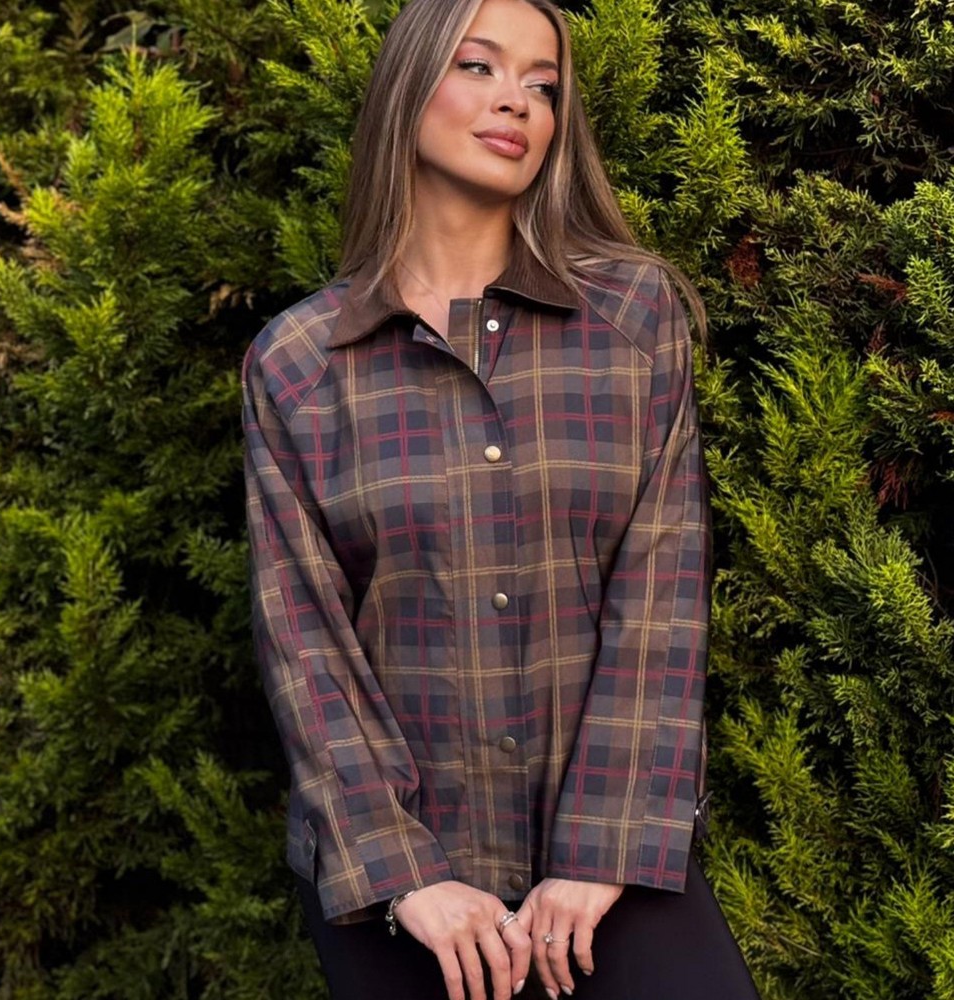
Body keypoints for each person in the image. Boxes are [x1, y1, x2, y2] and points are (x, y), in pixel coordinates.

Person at [242, 1, 761, 998]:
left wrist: (601, 850)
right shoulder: (298, 364)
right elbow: (302, 641)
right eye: (479, 66)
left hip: (611, 867)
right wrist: (406, 874)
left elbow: (662, 592)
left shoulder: (631, 318)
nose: (517, 101)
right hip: (407, 885)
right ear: (408, 87)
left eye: (543, 84)